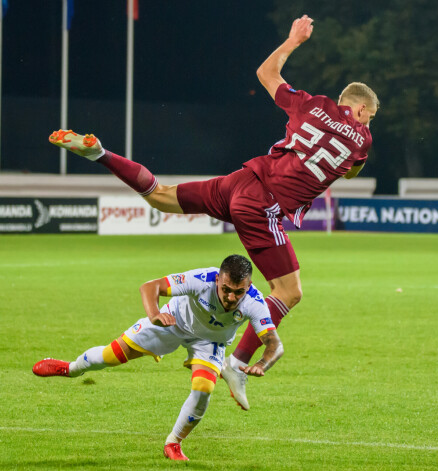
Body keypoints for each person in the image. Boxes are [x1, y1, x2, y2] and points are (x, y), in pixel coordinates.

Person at [49, 14, 378, 411]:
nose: (368, 121)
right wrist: (356, 146)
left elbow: (265, 72)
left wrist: (293, 41)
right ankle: (237, 362)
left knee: (161, 195)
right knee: (289, 292)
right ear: (360, 109)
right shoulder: (362, 139)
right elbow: (352, 169)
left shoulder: (310, 105)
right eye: (369, 115)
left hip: (241, 181)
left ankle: (100, 153)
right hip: (262, 204)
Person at [32, 255, 283, 461]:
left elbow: (274, 344)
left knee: (204, 387)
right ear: (218, 279)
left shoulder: (254, 302)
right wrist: (153, 314)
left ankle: (174, 443)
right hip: (172, 322)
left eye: (237, 293)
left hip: (210, 342)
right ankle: (70, 368)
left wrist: (262, 363)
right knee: (112, 355)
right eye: (226, 289)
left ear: (248, 287)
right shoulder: (201, 279)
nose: (230, 298)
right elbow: (150, 286)